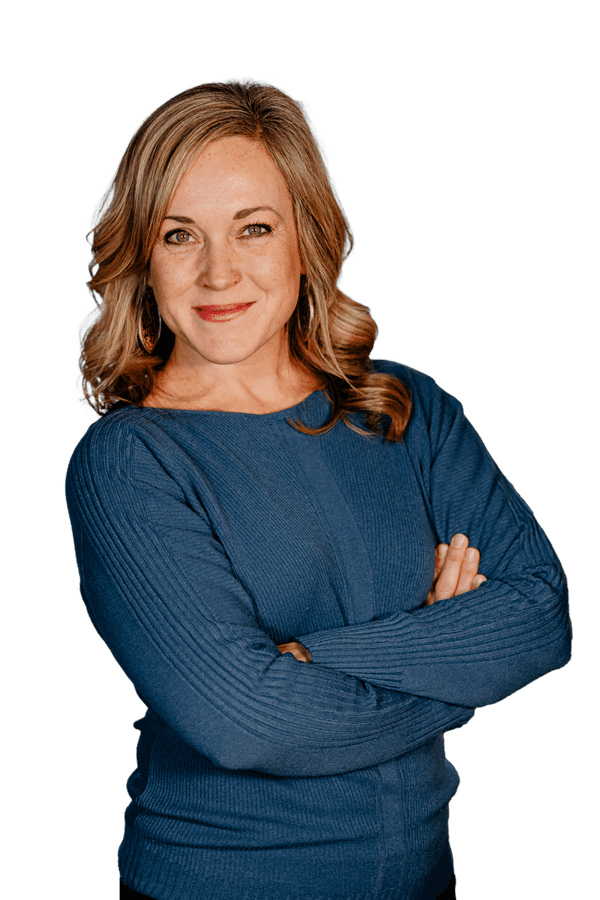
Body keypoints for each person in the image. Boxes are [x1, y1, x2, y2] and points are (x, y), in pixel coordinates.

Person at [64, 78, 572, 900]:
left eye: (255, 228)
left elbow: (540, 614)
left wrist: (314, 659)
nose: (219, 271)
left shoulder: (403, 409)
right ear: (144, 260)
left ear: (307, 238)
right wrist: (451, 666)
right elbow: (246, 723)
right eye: (179, 235)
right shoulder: (130, 462)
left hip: (425, 878)